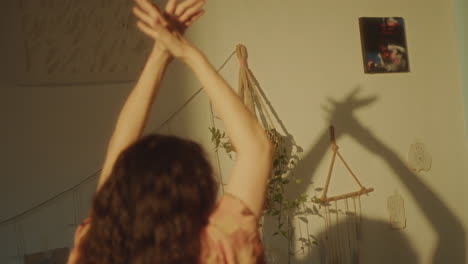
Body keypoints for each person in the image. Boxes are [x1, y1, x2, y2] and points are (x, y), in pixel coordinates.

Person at [66, 0, 273, 263]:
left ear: (116, 196)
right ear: (198, 194)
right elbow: (257, 149)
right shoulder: (217, 248)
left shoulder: (93, 248)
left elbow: (117, 155)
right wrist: (188, 54)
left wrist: (159, 55)